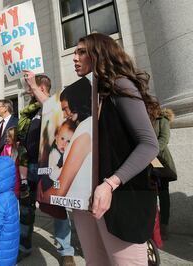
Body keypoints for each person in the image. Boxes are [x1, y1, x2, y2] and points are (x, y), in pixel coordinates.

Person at [67, 33, 159, 265]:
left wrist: (110, 184)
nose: (75, 58)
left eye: (81, 51)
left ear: (99, 53)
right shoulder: (89, 97)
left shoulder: (120, 84)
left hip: (121, 201)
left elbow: (149, 144)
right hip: (86, 201)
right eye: (74, 53)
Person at [21, 73, 76, 265]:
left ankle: (66, 251)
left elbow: (52, 109)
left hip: (50, 166)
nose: (28, 91)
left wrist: (33, 85)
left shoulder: (55, 105)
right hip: (31, 166)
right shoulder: (31, 112)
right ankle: (24, 245)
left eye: (31, 88)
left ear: (42, 88)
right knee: (26, 207)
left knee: (57, 207)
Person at [39, 77, 92, 203]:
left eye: (65, 108)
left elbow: (60, 190)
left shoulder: (84, 129)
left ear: (76, 103)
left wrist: (41, 198)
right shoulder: (85, 126)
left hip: (81, 202)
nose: (64, 115)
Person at [151, 108, 177, 240]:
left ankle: (164, 226)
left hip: (159, 161)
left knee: (163, 194)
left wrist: (151, 151)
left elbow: (164, 138)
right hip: (144, 160)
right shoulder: (143, 119)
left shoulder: (162, 120)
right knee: (148, 193)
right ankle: (151, 226)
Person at [0, 127, 20, 197]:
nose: (7, 138)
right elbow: (1, 162)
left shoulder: (19, 148)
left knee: (15, 196)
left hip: (17, 177)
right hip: (7, 178)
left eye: (10, 136)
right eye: (7, 136)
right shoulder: (5, 147)